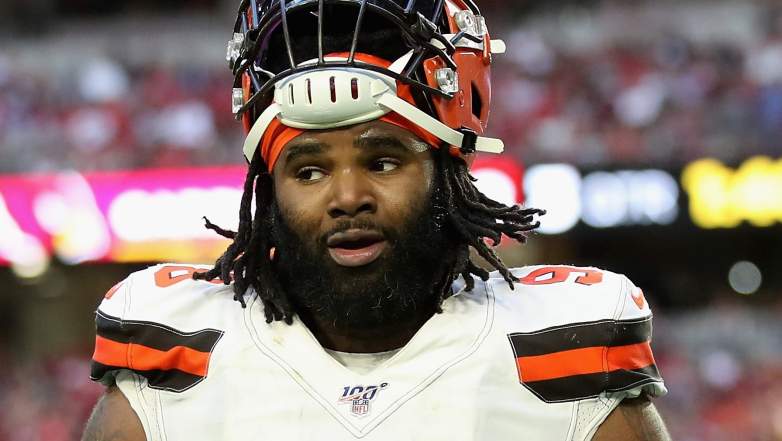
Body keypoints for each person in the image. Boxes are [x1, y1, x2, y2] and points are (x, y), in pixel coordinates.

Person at [82, 0, 670, 439]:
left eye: (383, 160)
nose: (347, 197)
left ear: (449, 170)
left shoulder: (563, 356)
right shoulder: (174, 360)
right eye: (308, 170)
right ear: (268, 186)